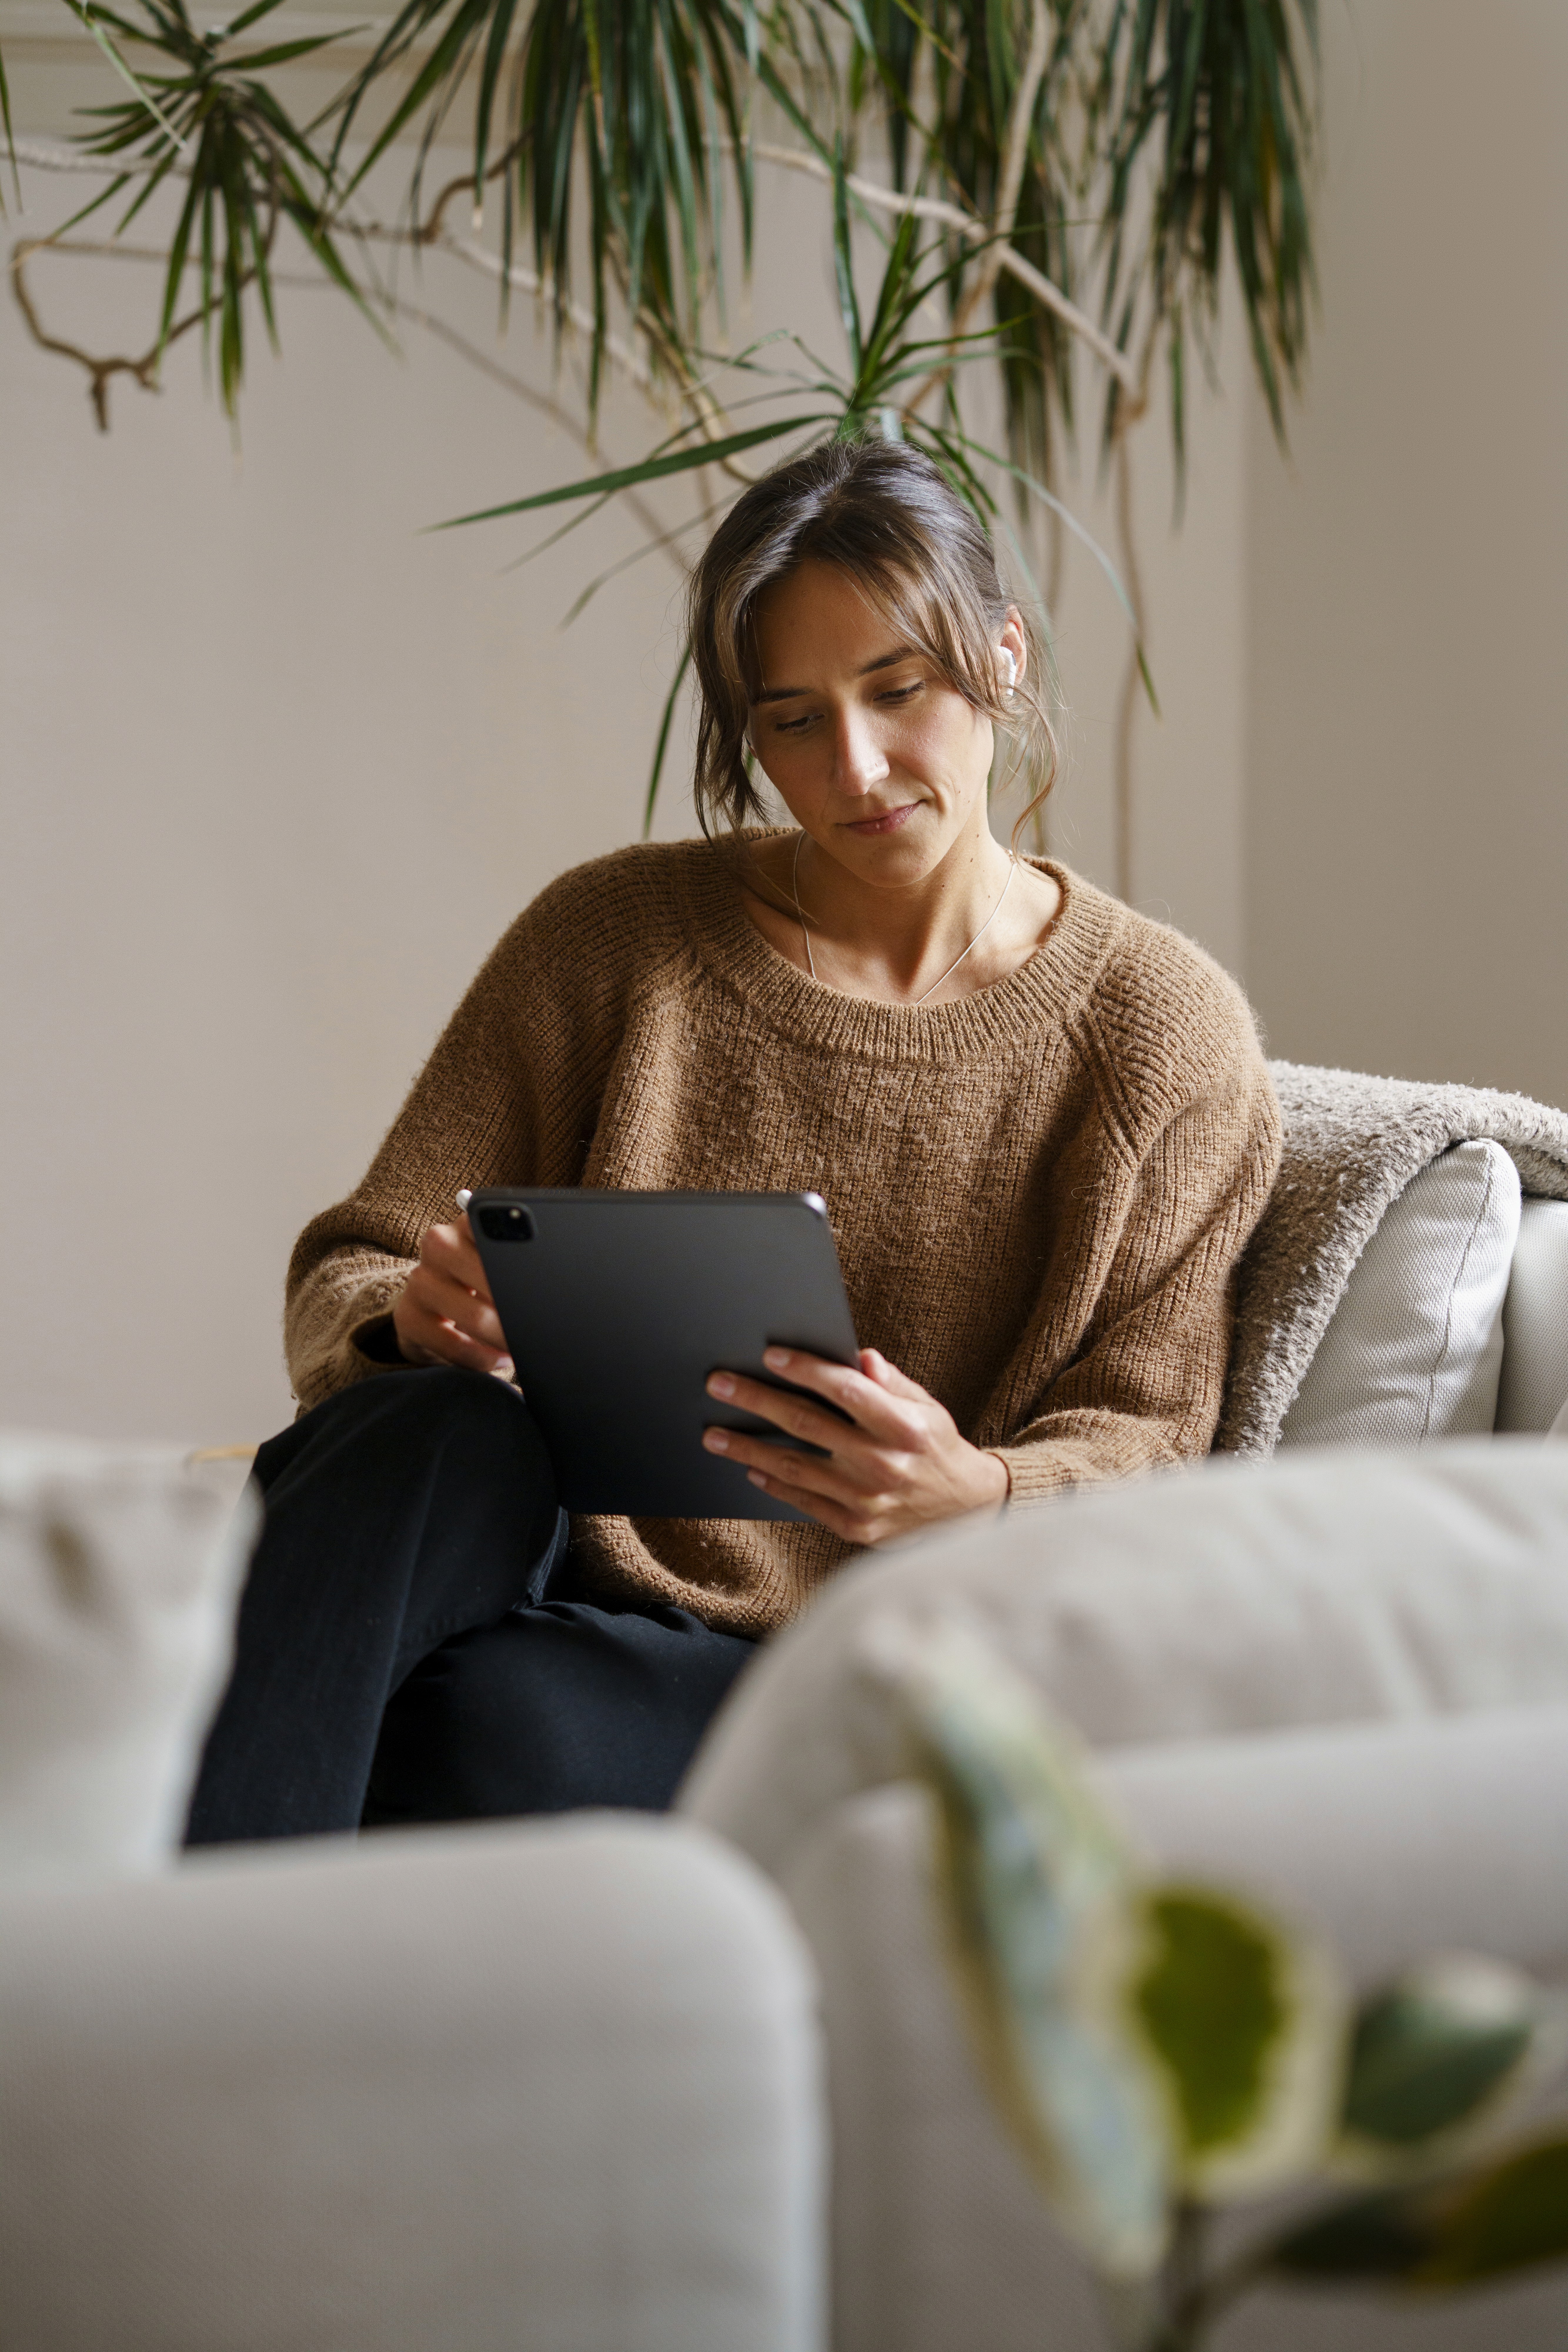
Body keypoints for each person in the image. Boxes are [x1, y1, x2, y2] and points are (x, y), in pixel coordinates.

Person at [186, 437, 1281, 1847]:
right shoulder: (614, 941)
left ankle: (147, 1934)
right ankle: (167, 1982)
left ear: (1000, 657)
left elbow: (1152, 1433)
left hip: (831, 1653)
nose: (857, 766)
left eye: (899, 692)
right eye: (792, 722)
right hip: (508, 1538)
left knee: (479, 1728)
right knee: (432, 1426)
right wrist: (407, 1321)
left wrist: (977, 1488)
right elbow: (356, 1257)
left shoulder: (1156, 1035)